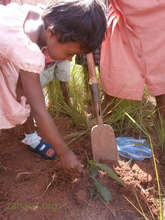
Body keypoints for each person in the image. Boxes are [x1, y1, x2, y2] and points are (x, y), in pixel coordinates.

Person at [0, 0, 107, 171]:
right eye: (70, 53)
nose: (69, 59)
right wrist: (64, 153)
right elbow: (40, 111)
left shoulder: (37, 18)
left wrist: (20, 87)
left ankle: (29, 135)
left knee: (22, 94)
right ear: (51, 33)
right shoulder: (27, 51)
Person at [100, 0, 165, 120]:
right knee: (116, 76)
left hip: (158, 30)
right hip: (125, 27)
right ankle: (106, 121)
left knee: (161, 81)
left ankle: (161, 128)